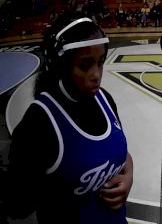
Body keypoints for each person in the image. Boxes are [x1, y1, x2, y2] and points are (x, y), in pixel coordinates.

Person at [3, 12, 134, 224]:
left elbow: (120, 153)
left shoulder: (105, 99)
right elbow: (16, 206)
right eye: (85, 65)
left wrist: (128, 177)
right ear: (61, 66)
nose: (96, 74)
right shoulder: (40, 123)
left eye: (100, 62)